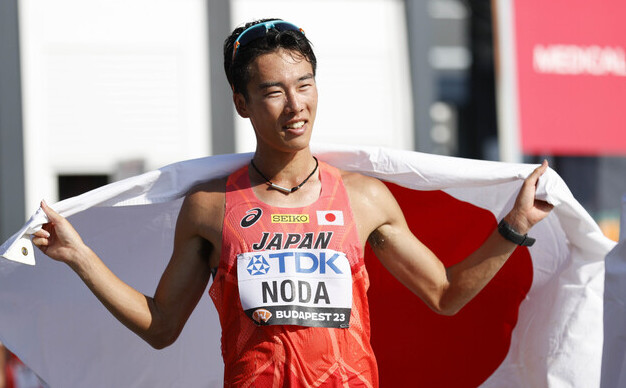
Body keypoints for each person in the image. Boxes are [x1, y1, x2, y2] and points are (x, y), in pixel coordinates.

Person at [32, 18, 552, 386]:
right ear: (242, 103)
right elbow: (161, 327)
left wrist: (515, 224)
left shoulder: (363, 197)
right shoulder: (210, 208)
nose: (296, 104)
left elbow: (444, 294)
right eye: (274, 91)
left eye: (305, 84)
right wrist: (80, 257)